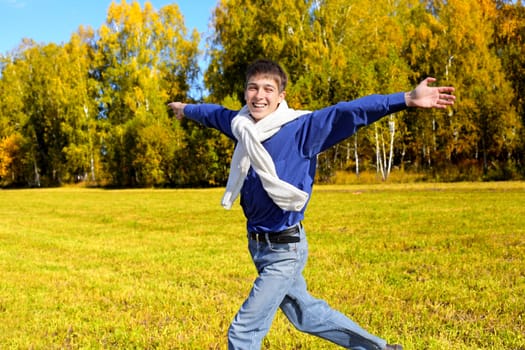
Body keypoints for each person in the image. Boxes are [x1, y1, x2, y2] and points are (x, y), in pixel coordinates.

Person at [168, 59, 455, 350]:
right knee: (306, 314)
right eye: (253, 88)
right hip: (258, 246)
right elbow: (213, 113)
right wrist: (184, 109)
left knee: (243, 331)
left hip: (285, 249)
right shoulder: (242, 127)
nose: (260, 95)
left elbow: (351, 111)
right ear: (245, 93)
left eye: (269, 89)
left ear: (281, 96)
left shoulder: (304, 128)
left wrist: (405, 99)